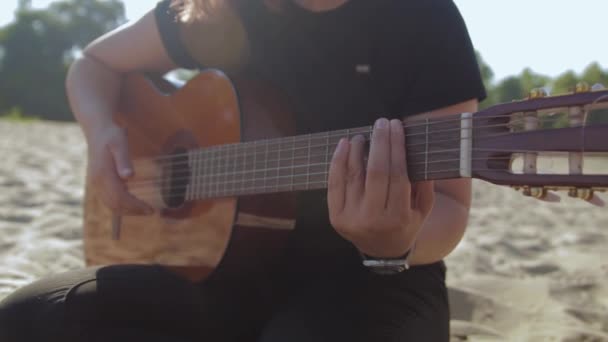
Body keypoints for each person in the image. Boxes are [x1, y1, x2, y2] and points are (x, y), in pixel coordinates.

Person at [0, 0, 486, 341]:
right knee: (27, 321)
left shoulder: (421, 16)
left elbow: (449, 204)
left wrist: (392, 245)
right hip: (217, 272)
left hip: (373, 279)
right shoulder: (220, 8)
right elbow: (93, 63)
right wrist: (102, 131)